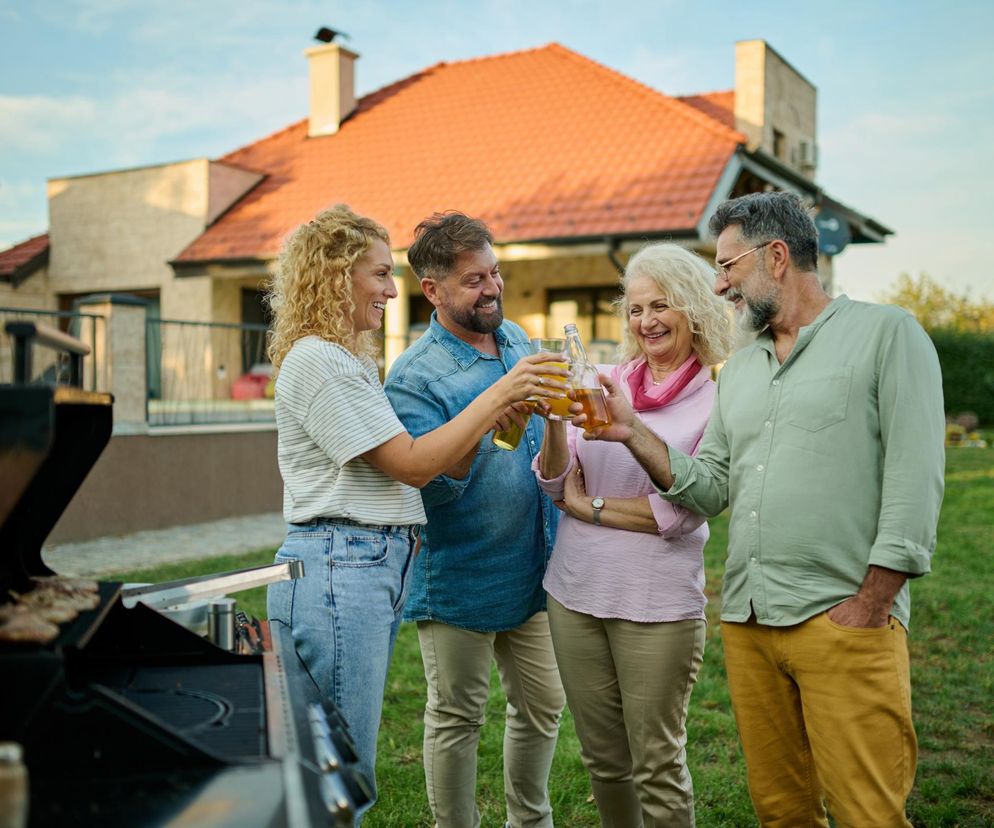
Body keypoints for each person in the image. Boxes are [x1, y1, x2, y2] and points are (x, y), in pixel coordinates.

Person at [572, 191, 945, 828]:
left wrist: (872, 604)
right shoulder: (740, 371)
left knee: (867, 813)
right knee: (780, 811)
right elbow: (709, 486)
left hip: (845, 619)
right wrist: (632, 430)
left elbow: (916, 481)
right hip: (749, 622)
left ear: (776, 257)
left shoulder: (887, 335)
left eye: (727, 267)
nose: (719, 286)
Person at [264, 205, 565, 822]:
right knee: (340, 769)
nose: (387, 289)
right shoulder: (325, 364)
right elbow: (410, 464)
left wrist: (501, 424)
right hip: (342, 568)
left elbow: (431, 464)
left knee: (341, 763)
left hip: (368, 566)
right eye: (377, 274)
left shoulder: (344, 360)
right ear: (333, 276)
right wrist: (500, 396)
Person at [533, 242, 732, 827]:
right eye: (636, 309)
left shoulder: (717, 403)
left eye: (661, 306)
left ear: (693, 311)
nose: (646, 322)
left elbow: (677, 514)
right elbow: (552, 483)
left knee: (656, 763)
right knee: (603, 761)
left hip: (657, 604)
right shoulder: (600, 380)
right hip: (574, 592)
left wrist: (588, 504)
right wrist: (550, 423)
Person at [384, 212, 566, 828]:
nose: (491, 289)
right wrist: (494, 413)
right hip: (460, 573)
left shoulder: (515, 337)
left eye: (495, 273)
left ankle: (529, 821)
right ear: (432, 290)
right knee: (458, 717)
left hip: (534, 564)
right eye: (473, 280)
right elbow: (429, 487)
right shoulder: (415, 376)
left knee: (542, 706)